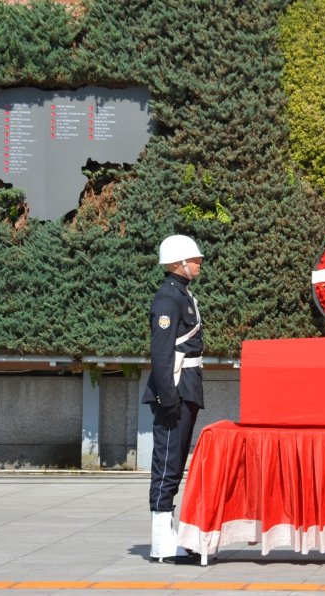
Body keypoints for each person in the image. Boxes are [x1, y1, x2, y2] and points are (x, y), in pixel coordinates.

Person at [142, 234, 205, 564]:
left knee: (176, 461)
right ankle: (161, 543)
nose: (199, 263)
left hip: (186, 385)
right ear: (178, 263)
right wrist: (168, 397)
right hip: (175, 389)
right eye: (194, 259)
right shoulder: (168, 298)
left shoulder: (181, 294)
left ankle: (169, 539)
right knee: (167, 464)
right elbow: (162, 352)